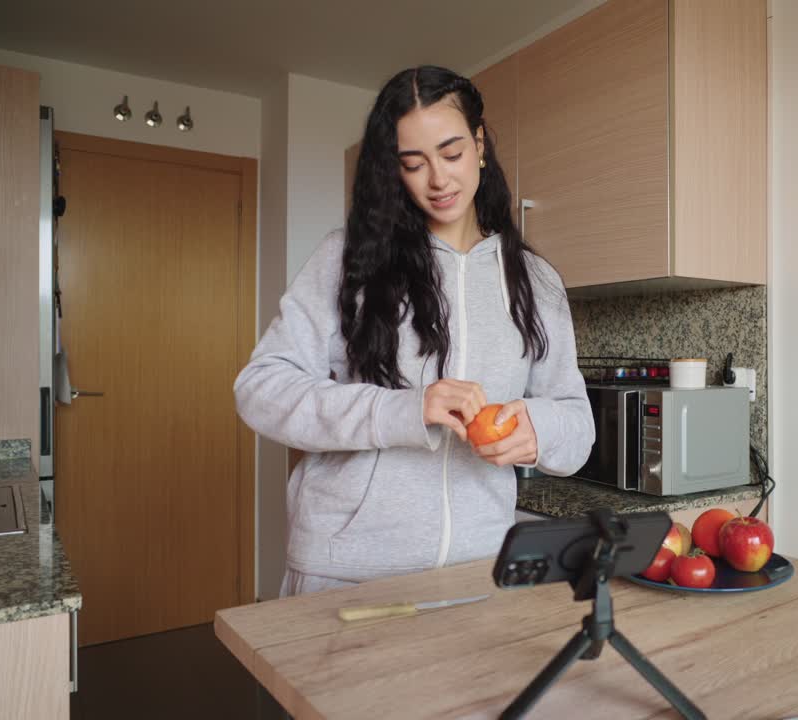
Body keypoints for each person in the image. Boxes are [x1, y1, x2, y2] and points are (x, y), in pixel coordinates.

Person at [234, 66, 594, 595]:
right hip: (347, 569)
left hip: (481, 570)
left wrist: (537, 427)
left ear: (479, 144)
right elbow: (261, 389)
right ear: (394, 170)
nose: (439, 180)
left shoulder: (535, 281)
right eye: (413, 163)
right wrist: (405, 409)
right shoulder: (348, 258)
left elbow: (578, 423)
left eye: (451, 154)